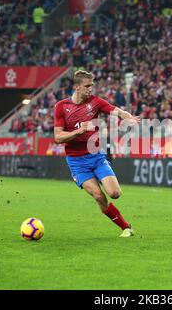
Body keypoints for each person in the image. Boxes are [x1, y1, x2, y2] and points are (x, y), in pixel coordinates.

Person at [53, 70, 140, 238]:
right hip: (77, 162)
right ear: (77, 87)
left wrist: (127, 117)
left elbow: (117, 111)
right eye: (87, 86)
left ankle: (123, 223)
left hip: (97, 157)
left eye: (92, 85)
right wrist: (78, 132)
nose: (90, 89)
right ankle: (125, 227)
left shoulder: (95, 102)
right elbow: (57, 137)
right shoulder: (61, 107)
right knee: (99, 196)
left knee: (115, 193)